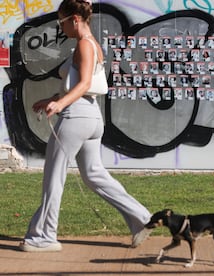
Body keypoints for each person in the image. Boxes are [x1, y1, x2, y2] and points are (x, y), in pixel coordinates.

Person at [19, 0, 152, 252]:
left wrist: (60, 105)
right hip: (90, 117)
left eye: (62, 22)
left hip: (76, 117)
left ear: (75, 19)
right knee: (94, 175)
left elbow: (83, 84)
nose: (61, 27)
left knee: (53, 179)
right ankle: (141, 218)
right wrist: (52, 100)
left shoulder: (84, 44)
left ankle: (44, 237)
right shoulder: (92, 45)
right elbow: (80, 85)